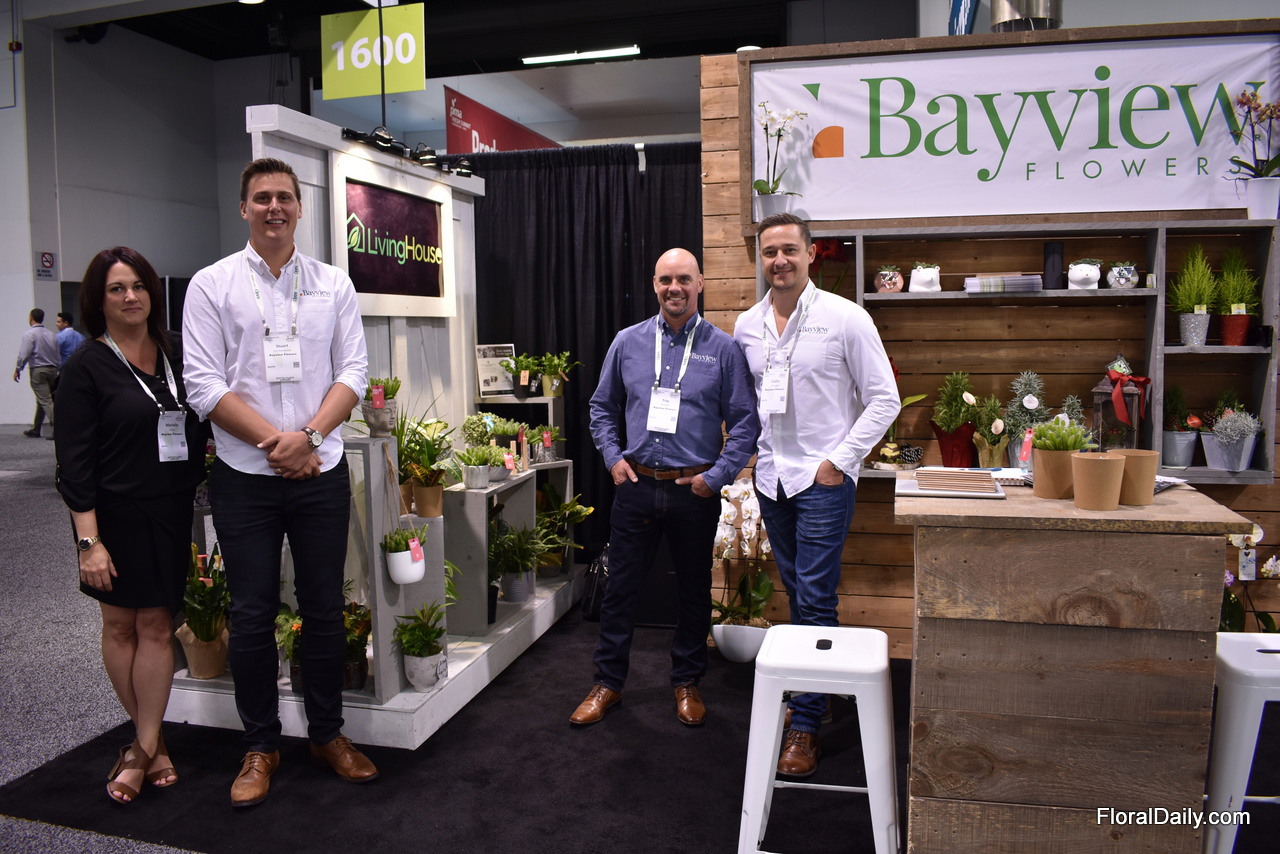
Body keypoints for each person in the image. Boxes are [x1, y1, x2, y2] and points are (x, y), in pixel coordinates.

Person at [183, 157, 374, 807]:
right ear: (244, 208)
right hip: (245, 476)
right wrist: (278, 443)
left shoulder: (332, 285)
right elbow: (203, 385)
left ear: (299, 207)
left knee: (323, 609)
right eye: (261, 197)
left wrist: (309, 438)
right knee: (252, 613)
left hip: (319, 470)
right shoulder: (211, 285)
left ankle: (326, 734)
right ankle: (261, 745)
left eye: (284, 197)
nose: (273, 207)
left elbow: (354, 372)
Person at [733, 213, 900, 777]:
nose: (779, 260)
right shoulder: (747, 325)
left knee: (816, 595)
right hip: (772, 478)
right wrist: (748, 459)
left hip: (822, 480)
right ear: (761, 259)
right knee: (799, 594)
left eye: (789, 250)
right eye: (769, 252)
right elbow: (749, 402)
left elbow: (884, 398)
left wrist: (838, 462)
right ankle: (817, 691)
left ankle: (805, 724)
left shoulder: (846, 318)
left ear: (809, 254)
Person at [573, 247, 759, 727]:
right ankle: (608, 683)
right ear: (654, 285)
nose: (674, 288)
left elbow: (745, 423)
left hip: (692, 491)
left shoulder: (723, 349)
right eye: (665, 280)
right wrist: (613, 459)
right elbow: (601, 407)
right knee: (620, 590)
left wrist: (716, 477)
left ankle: (687, 682)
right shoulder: (627, 342)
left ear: (700, 283)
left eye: (683, 279)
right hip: (637, 485)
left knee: (694, 591)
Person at [54, 247, 207, 804]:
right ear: (98, 300)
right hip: (112, 516)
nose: (130, 297)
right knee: (122, 626)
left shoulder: (176, 351)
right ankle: (149, 748)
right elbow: (74, 464)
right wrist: (88, 542)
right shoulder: (86, 366)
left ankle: (144, 743)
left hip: (170, 511)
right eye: (117, 289)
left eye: (139, 285)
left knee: (158, 626)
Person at [14, 308, 59, 439]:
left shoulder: (29, 334)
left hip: (38, 370)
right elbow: (57, 353)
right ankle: (36, 428)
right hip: (52, 369)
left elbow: (24, 353)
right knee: (43, 399)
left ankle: (58, 428)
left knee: (45, 400)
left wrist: (18, 368)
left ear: (31, 318)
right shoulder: (51, 334)